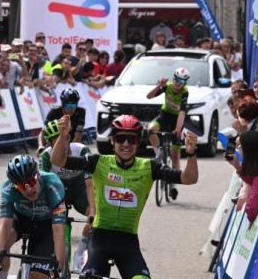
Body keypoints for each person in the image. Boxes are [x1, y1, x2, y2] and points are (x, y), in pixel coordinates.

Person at [51, 113, 198, 279]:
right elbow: (57, 160)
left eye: (132, 139)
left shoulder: (150, 167)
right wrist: (63, 135)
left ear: (138, 142)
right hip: (99, 239)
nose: (126, 144)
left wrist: (192, 154)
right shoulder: (98, 162)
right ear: (112, 141)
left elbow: (189, 178)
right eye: (121, 138)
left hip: (128, 243)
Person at [0, 154, 67, 279]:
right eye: (21, 186)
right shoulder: (8, 188)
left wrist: (59, 267)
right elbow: (4, 225)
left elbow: (58, 230)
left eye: (31, 181)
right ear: (14, 185)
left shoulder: (53, 184)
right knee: (2, 244)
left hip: (46, 226)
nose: (28, 189)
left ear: (38, 174)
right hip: (21, 220)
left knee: (36, 276)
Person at [37, 119, 93, 269]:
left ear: (68, 138)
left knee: (95, 216)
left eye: (64, 139)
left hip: (79, 190)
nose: (62, 145)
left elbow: (90, 184)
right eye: (55, 143)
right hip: (58, 191)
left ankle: (81, 249)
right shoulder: (46, 156)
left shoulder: (81, 151)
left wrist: (92, 211)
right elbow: (43, 187)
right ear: (49, 144)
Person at [145, 67, 190, 185]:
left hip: (177, 120)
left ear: (185, 83)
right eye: (176, 80)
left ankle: (174, 183)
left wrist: (178, 129)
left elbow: (182, 112)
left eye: (182, 82)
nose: (178, 84)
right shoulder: (167, 86)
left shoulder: (185, 92)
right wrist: (159, 85)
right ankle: (158, 154)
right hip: (164, 116)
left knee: (175, 154)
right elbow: (149, 96)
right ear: (173, 78)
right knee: (150, 130)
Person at [235, 130, 258, 222]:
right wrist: (236, 165)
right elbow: (249, 180)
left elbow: (252, 211)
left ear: (249, 151)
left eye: (240, 145)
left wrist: (245, 204)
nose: (238, 148)